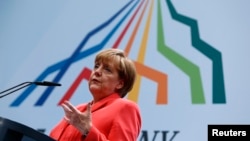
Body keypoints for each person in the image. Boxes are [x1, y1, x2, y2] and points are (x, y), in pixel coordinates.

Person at [49, 48, 142, 141]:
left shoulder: (126, 108)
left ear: (120, 84)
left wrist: (88, 131)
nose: (97, 72)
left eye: (107, 70)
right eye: (96, 66)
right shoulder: (79, 110)